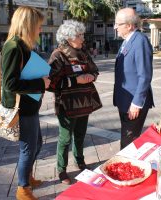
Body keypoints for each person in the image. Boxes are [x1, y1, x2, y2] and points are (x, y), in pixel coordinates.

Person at [1, 6, 50, 200]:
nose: (40, 30)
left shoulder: (22, 45)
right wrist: (41, 82)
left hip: (30, 105)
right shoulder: (13, 47)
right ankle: (23, 189)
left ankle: (27, 177)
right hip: (22, 108)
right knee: (28, 147)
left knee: (36, 144)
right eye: (38, 26)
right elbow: (10, 83)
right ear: (28, 25)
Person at [48, 20, 101, 185]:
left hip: (84, 102)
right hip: (67, 105)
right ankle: (62, 169)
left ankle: (80, 161)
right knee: (65, 139)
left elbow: (94, 70)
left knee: (80, 135)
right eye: (79, 35)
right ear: (68, 37)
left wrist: (91, 77)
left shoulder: (84, 53)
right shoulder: (58, 55)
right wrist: (76, 80)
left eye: (82, 35)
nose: (82, 39)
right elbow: (51, 83)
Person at [113, 8, 154, 150]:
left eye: (118, 24)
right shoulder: (127, 41)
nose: (115, 27)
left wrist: (136, 103)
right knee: (127, 137)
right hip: (124, 100)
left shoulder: (140, 41)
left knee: (128, 141)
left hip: (133, 103)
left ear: (129, 25)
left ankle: (125, 168)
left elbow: (145, 75)